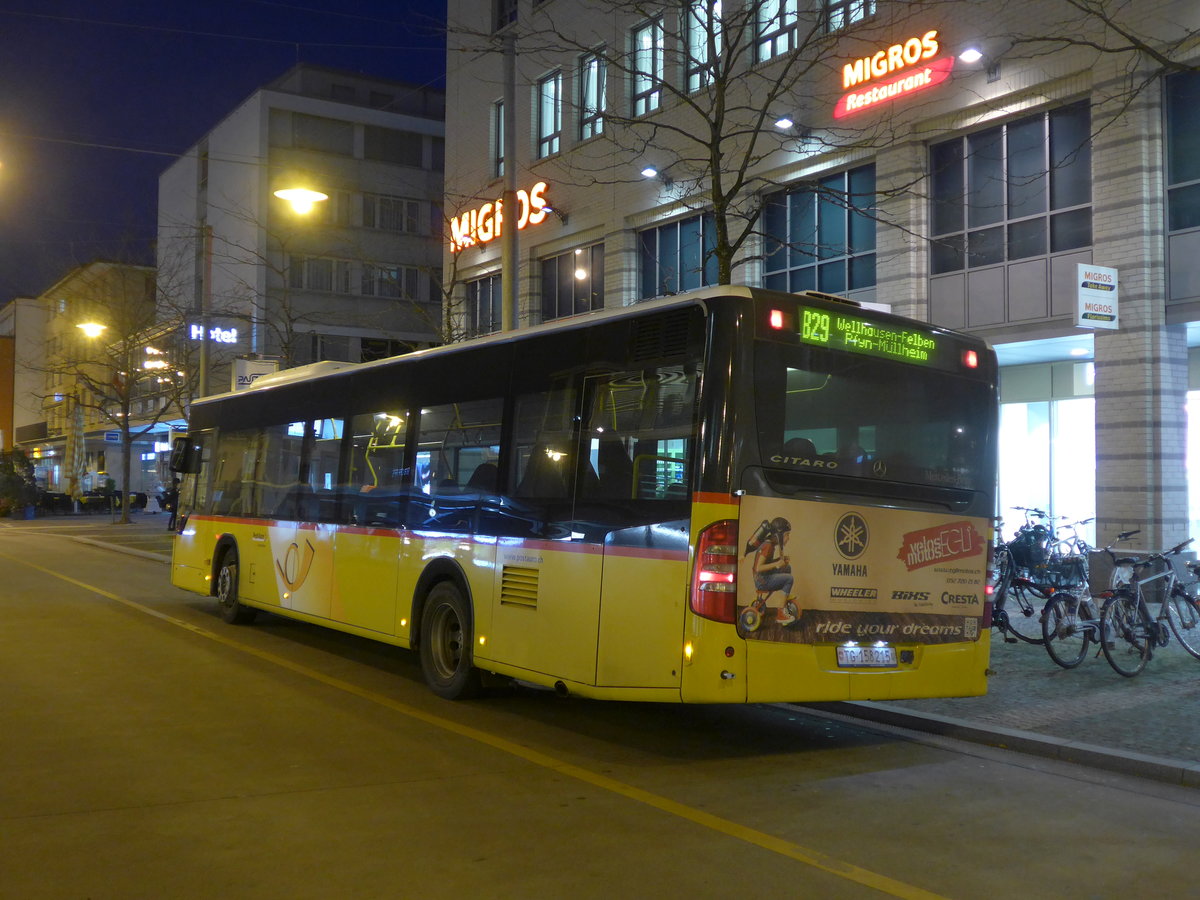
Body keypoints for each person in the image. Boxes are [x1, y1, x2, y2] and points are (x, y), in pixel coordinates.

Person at [750, 517, 801, 626]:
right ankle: (780, 612)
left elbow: (765, 563)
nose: (788, 538)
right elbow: (758, 568)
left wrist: (779, 560)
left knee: (787, 568)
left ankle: (785, 596)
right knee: (789, 578)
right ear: (779, 535)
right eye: (787, 535)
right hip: (762, 580)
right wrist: (776, 564)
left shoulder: (770, 544)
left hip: (763, 577)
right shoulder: (768, 546)